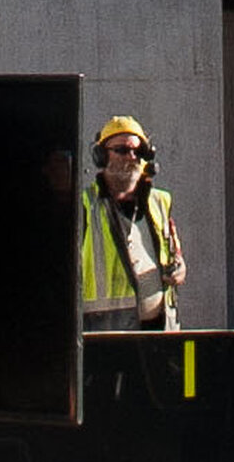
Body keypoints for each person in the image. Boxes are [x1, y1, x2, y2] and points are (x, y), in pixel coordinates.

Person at [79, 115, 186, 332]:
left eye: (138, 152)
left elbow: (176, 257)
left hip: (160, 328)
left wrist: (179, 271)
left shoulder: (160, 201)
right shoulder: (85, 204)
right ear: (101, 156)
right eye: (122, 150)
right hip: (105, 329)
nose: (132, 157)